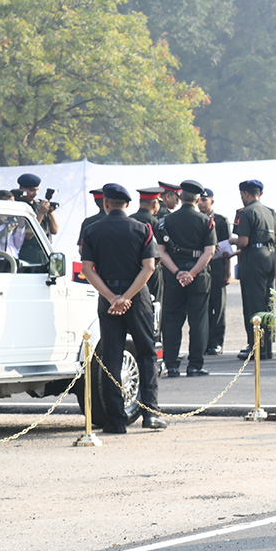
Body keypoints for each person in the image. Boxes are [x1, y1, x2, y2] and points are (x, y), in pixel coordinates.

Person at [78, 183, 167, 433]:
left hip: (108, 297)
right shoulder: (142, 228)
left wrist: (111, 297)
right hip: (137, 297)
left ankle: (116, 420)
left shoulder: (92, 229)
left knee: (111, 356)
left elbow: (87, 269)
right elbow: (148, 267)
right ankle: (150, 413)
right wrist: (127, 297)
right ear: (127, 205)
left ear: (106, 203)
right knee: (147, 353)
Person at [159, 180, 216, 377]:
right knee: (198, 321)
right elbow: (209, 252)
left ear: (181, 197)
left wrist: (177, 273)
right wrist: (191, 274)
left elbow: (161, 252)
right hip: (198, 276)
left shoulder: (166, 220)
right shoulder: (206, 221)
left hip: (173, 277)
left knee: (172, 320)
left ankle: (172, 365)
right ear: (198, 199)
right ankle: (195, 365)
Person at [232, 179, 276, 360]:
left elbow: (243, 241)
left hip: (253, 257)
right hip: (270, 255)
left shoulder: (246, 213)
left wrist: (232, 241)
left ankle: (256, 346)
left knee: (253, 303)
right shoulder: (271, 212)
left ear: (246, 194)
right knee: (267, 302)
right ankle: (267, 347)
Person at [197, 188, 233, 355]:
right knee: (201, 306)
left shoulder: (220, 220)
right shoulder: (195, 219)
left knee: (218, 306)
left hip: (217, 265)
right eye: (200, 200)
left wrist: (228, 272)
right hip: (199, 266)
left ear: (212, 202)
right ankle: (202, 342)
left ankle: (216, 342)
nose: (202, 203)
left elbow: (227, 248)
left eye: (205, 200)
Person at [131, 188, 165, 318]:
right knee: (155, 307)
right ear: (155, 204)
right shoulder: (157, 223)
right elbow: (161, 250)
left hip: (132, 269)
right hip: (153, 269)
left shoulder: (129, 220)